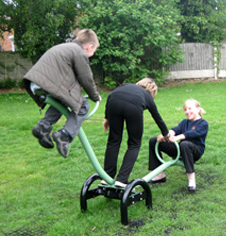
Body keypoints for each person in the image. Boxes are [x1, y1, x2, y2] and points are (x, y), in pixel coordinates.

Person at [23, 29, 101, 158]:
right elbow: (86, 78)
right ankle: (65, 135)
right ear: (90, 46)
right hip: (48, 83)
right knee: (83, 105)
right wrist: (95, 96)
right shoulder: (79, 52)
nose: (90, 55)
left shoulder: (63, 47)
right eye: (92, 52)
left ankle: (42, 127)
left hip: (34, 82)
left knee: (61, 102)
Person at [101, 78, 169, 188]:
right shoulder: (147, 96)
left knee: (113, 141)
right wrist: (166, 134)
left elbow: (111, 95)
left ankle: (107, 176)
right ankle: (122, 179)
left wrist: (107, 118)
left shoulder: (126, 85)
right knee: (134, 144)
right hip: (132, 108)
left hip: (113, 103)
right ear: (152, 92)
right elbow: (157, 117)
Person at [149, 99, 208, 191]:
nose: (187, 111)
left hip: (195, 152)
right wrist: (165, 135)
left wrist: (178, 137)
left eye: (190, 108)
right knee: (153, 140)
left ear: (198, 109)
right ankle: (160, 175)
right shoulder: (184, 122)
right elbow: (175, 130)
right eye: (185, 110)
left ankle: (191, 179)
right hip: (181, 149)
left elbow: (193, 133)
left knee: (185, 144)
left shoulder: (203, 123)